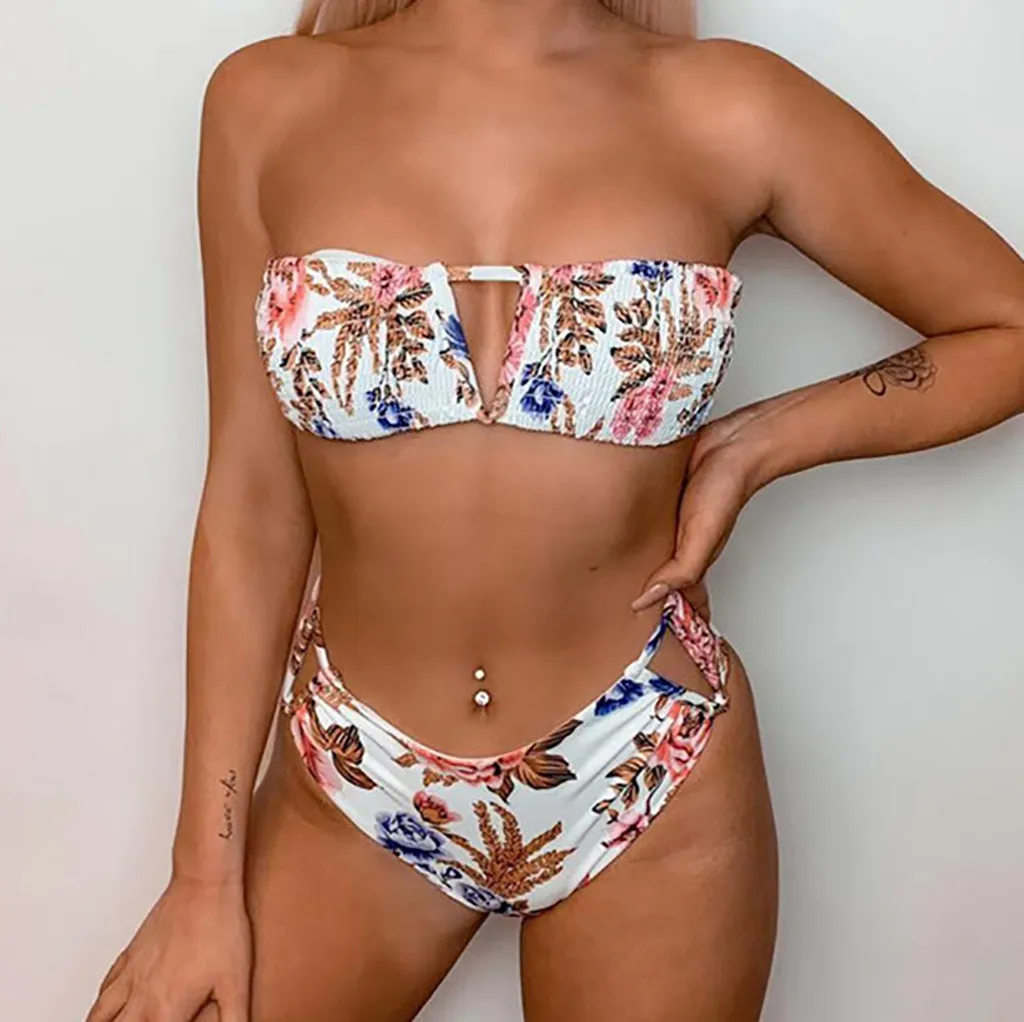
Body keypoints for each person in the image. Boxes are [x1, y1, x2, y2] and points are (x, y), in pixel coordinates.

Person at [86, 1, 1024, 1020]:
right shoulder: (267, 100)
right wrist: (202, 879)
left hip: (643, 764)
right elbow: (253, 506)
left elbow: (1004, 324)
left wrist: (758, 444)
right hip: (357, 775)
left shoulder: (732, 106)